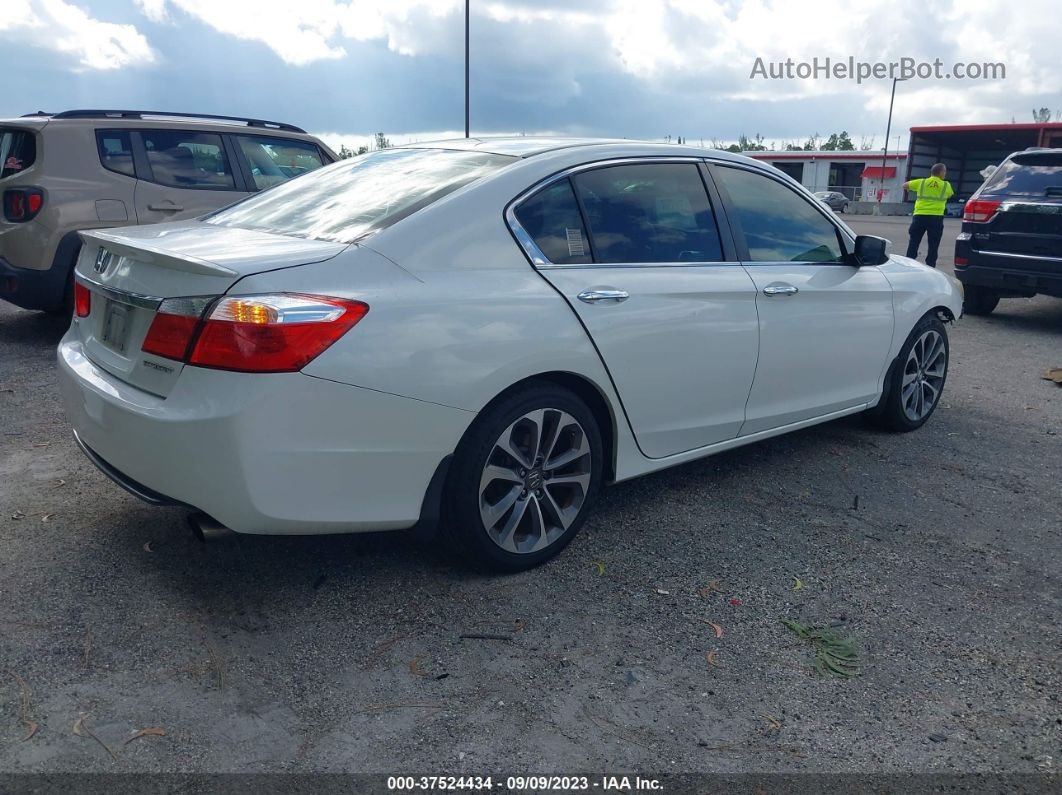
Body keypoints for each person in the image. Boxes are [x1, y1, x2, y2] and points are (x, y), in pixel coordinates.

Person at [902, 163, 954, 268]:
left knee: (914, 242)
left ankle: (909, 263)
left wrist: (908, 189)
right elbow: (950, 194)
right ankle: (930, 266)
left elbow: (905, 185)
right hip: (936, 218)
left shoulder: (921, 182)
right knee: (933, 245)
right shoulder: (946, 185)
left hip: (919, 216)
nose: (945, 174)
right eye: (944, 172)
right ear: (941, 172)